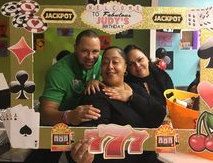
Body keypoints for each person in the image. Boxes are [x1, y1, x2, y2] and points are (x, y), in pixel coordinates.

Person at [72, 46, 166, 163]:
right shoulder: (97, 93)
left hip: (151, 157)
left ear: (125, 67)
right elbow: (92, 129)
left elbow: (159, 114)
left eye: (115, 62)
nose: (110, 66)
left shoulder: (134, 88)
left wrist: (131, 97)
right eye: (105, 63)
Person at [25, 29, 102, 163]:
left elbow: (116, 81)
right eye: (84, 51)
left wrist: (98, 82)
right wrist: (70, 116)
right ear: (75, 48)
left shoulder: (101, 62)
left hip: (86, 128)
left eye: (95, 51)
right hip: (56, 125)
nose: (90, 56)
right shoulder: (58, 72)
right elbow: (46, 114)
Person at [124, 44, 174, 108]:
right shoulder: (126, 85)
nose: (137, 65)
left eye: (140, 60)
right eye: (131, 64)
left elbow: (172, 102)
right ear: (127, 68)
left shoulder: (162, 76)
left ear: (147, 58)